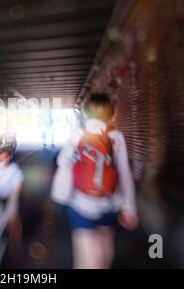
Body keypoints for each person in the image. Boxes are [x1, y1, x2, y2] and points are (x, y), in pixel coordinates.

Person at [51, 93, 138, 269]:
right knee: (105, 250)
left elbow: (62, 162)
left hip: (81, 204)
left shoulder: (78, 133)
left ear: (86, 112)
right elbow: (124, 173)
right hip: (110, 203)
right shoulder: (116, 136)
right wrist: (129, 207)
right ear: (111, 113)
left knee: (85, 256)